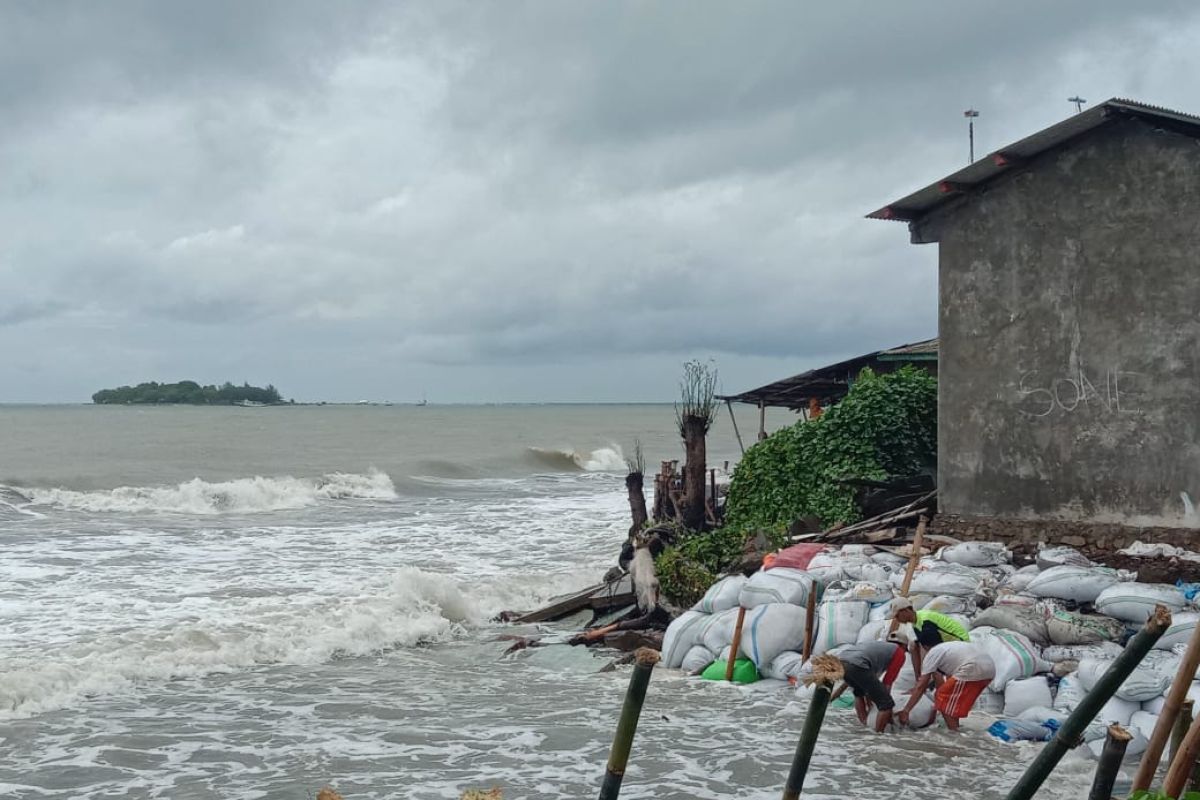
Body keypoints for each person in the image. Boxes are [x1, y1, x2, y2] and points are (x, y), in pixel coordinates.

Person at [897, 640, 995, 731]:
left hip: (973, 667)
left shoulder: (932, 655)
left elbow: (921, 686)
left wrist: (906, 710)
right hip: (989, 669)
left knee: (942, 698)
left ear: (923, 647)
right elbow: (941, 683)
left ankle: (954, 734)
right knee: (950, 701)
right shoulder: (947, 650)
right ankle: (956, 728)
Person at [830, 638, 907, 733]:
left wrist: (870, 702)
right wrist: (887, 710)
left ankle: (864, 726)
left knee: (859, 692)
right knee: (886, 704)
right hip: (858, 664)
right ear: (904, 646)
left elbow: (868, 683)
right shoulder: (899, 653)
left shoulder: (878, 648)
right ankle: (878, 737)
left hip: (840, 662)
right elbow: (887, 682)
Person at [887, 597, 970, 674]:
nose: (897, 620)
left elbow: (935, 653)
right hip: (950, 645)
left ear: (905, 611)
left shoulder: (926, 622)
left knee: (934, 663)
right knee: (919, 649)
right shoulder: (916, 623)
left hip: (960, 644)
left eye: (897, 616)